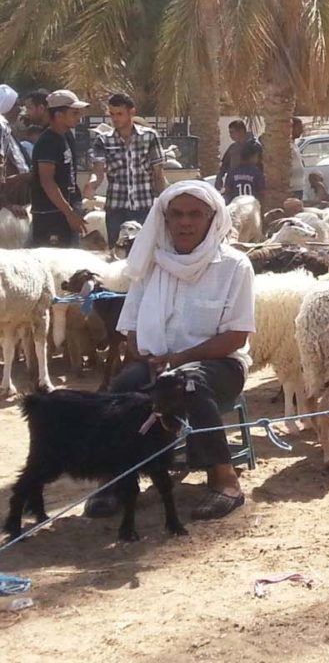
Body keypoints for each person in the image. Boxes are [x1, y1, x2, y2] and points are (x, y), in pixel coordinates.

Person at [85, 181, 253, 522]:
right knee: (118, 390)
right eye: (176, 214)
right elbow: (131, 329)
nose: (185, 222)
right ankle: (115, 478)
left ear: (213, 218)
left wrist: (177, 361)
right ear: (165, 218)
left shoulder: (234, 266)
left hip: (218, 366)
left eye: (195, 214)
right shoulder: (151, 264)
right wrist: (148, 359)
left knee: (188, 382)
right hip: (156, 362)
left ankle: (225, 481)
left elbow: (235, 336)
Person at [85, 92, 167, 246]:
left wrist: (163, 201)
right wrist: (92, 185)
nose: (115, 118)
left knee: (145, 252)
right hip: (116, 208)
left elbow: (158, 173)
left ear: (132, 112)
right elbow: (98, 171)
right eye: (112, 114)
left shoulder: (149, 137)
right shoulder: (103, 140)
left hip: (144, 207)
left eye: (119, 114)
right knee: (117, 253)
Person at [30, 89, 88, 245]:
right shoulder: (47, 142)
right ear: (58, 115)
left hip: (65, 213)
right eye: (74, 113)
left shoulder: (67, 136)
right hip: (50, 217)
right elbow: (47, 182)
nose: (79, 117)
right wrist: (69, 213)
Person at [0, 84, 30, 208]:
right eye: (15, 105)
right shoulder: (1, 127)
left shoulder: (6, 128)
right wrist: (5, 202)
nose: (20, 109)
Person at [217, 120, 258, 188]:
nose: (230, 135)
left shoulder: (254, 146)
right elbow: (225, 165)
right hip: (233, 184)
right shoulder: (233, 148)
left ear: (241, 131)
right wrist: (220, 177)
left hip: (250, 184)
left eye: (232, 132)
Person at [289, 116, 306, 200]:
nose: (301, 131)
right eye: (298, 128)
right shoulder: (287, 146)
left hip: (299, 186)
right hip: (292, 187)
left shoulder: (294, 145)